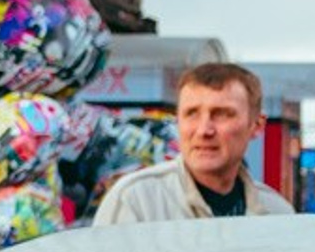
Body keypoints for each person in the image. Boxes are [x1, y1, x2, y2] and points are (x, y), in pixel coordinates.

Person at [93, 63, 296, 224]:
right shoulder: (135, 201)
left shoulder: (278, 213)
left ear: (257, 126)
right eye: (191, 114)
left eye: (222, 114)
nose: (204, 130)